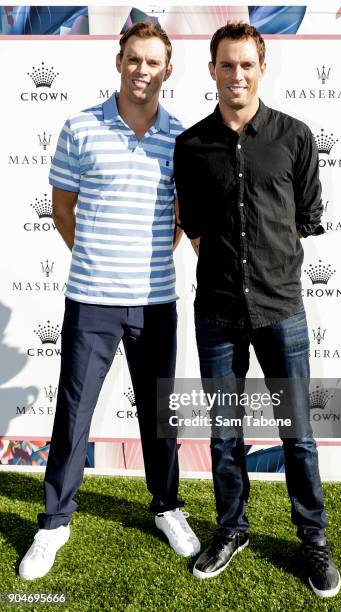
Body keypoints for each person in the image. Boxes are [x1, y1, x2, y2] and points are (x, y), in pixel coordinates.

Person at [19, 21, 200, 581]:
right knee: (73, 414)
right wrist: (98, 258)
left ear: (168, 69)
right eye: (134, 59)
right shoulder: (79, 127)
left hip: (155, 301)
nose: (142, 70)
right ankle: (54, 522)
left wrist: (143, 260)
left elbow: (178, 219)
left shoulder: (184, 138)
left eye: (153, 61)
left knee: (159, 416)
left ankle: (167, 507)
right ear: (118, 61)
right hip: (90, 299)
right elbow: (62, 209)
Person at [174, 22, 341, 598]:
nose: (236, 74)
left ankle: (313, 540)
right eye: (226, 65)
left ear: (261, 68)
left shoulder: (294, 136)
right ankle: (231, 529)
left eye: (246, 64)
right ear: (213, 70)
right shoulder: (190, 145)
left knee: (298, 434)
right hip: (217, 313)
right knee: (224, 433)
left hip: (282, 312)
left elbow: (305, 219)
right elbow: (194, 227)